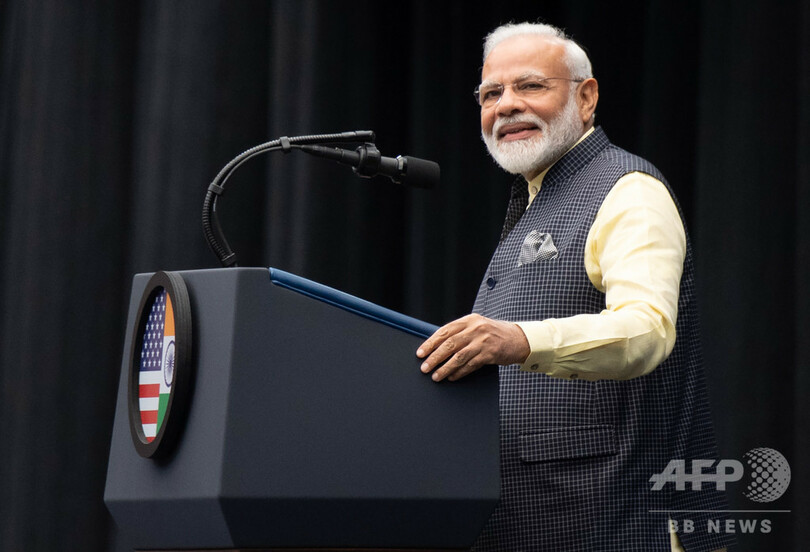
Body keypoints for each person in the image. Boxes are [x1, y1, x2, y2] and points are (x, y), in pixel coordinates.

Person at [416, 22, 733, 551]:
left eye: (530, 85)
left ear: (586, 98)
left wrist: (520, 340)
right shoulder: (536, 199)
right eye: (491, 94)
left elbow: (646, 330)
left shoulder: (629, 191)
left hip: (622, 524)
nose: (506, 105)